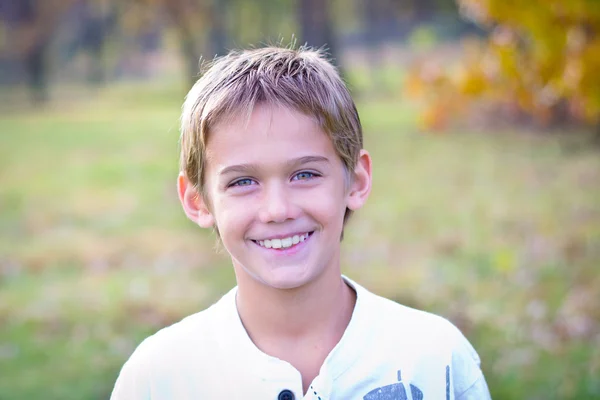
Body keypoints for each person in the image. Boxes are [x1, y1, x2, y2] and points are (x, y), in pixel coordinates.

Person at [110, 46, 491, 400]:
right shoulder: (158, 378)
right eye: (243, 182)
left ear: (356, 182)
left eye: (305, 174)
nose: (278, 209)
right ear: (197, 201)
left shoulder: (436, 359)